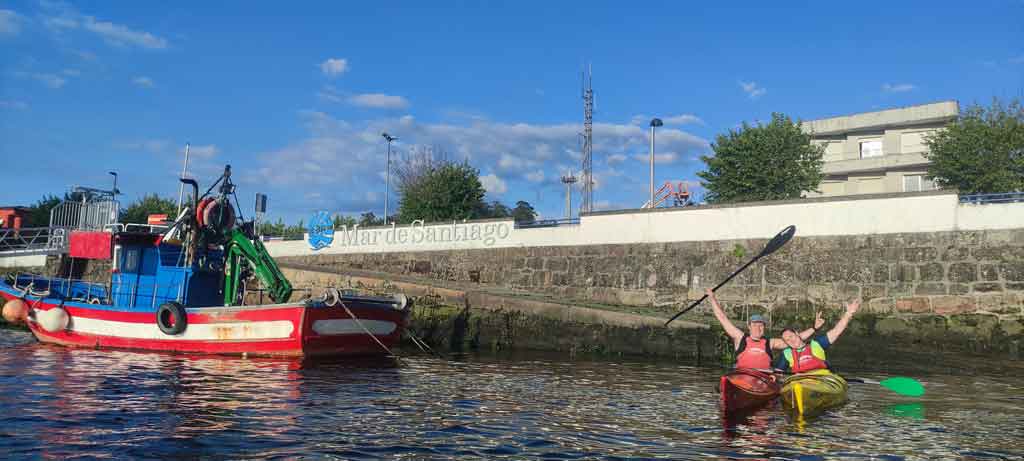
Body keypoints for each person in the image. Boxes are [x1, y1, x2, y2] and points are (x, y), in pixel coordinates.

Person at [707, 288, 823, 370]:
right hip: (742, 376)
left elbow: (794, 339)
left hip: (762, 379)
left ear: (764, 327)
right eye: (755, 324)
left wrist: (814, 328)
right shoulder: (740, 337)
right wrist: (712, 298)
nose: (758, 328)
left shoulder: (770, 342)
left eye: (761, 325)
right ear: (749, 326)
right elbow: (722, 318)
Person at [774, 298, 861, 374]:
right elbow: (778, 372)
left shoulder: (816, 344)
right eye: (787, 340)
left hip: (821, 379)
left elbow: (836, 331)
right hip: (799, 381)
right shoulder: (787, 353)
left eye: (791, 336)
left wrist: (849, 313)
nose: (791, 340)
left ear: (797, 333)